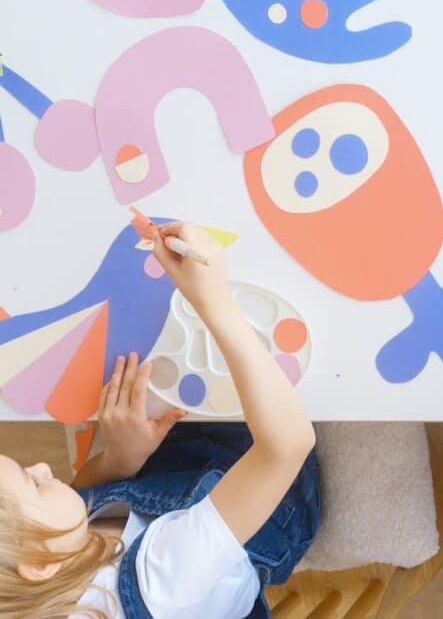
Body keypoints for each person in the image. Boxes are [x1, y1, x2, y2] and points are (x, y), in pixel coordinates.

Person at [0, 223, 319, 619]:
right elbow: (287, 445)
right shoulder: (167, 579)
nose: (45, 467)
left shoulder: (41, 579)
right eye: (34, 483)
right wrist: (215, 302)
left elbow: (76, 502)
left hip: (173, 485)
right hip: (269, 485)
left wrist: (121, 459)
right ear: (38, 565)